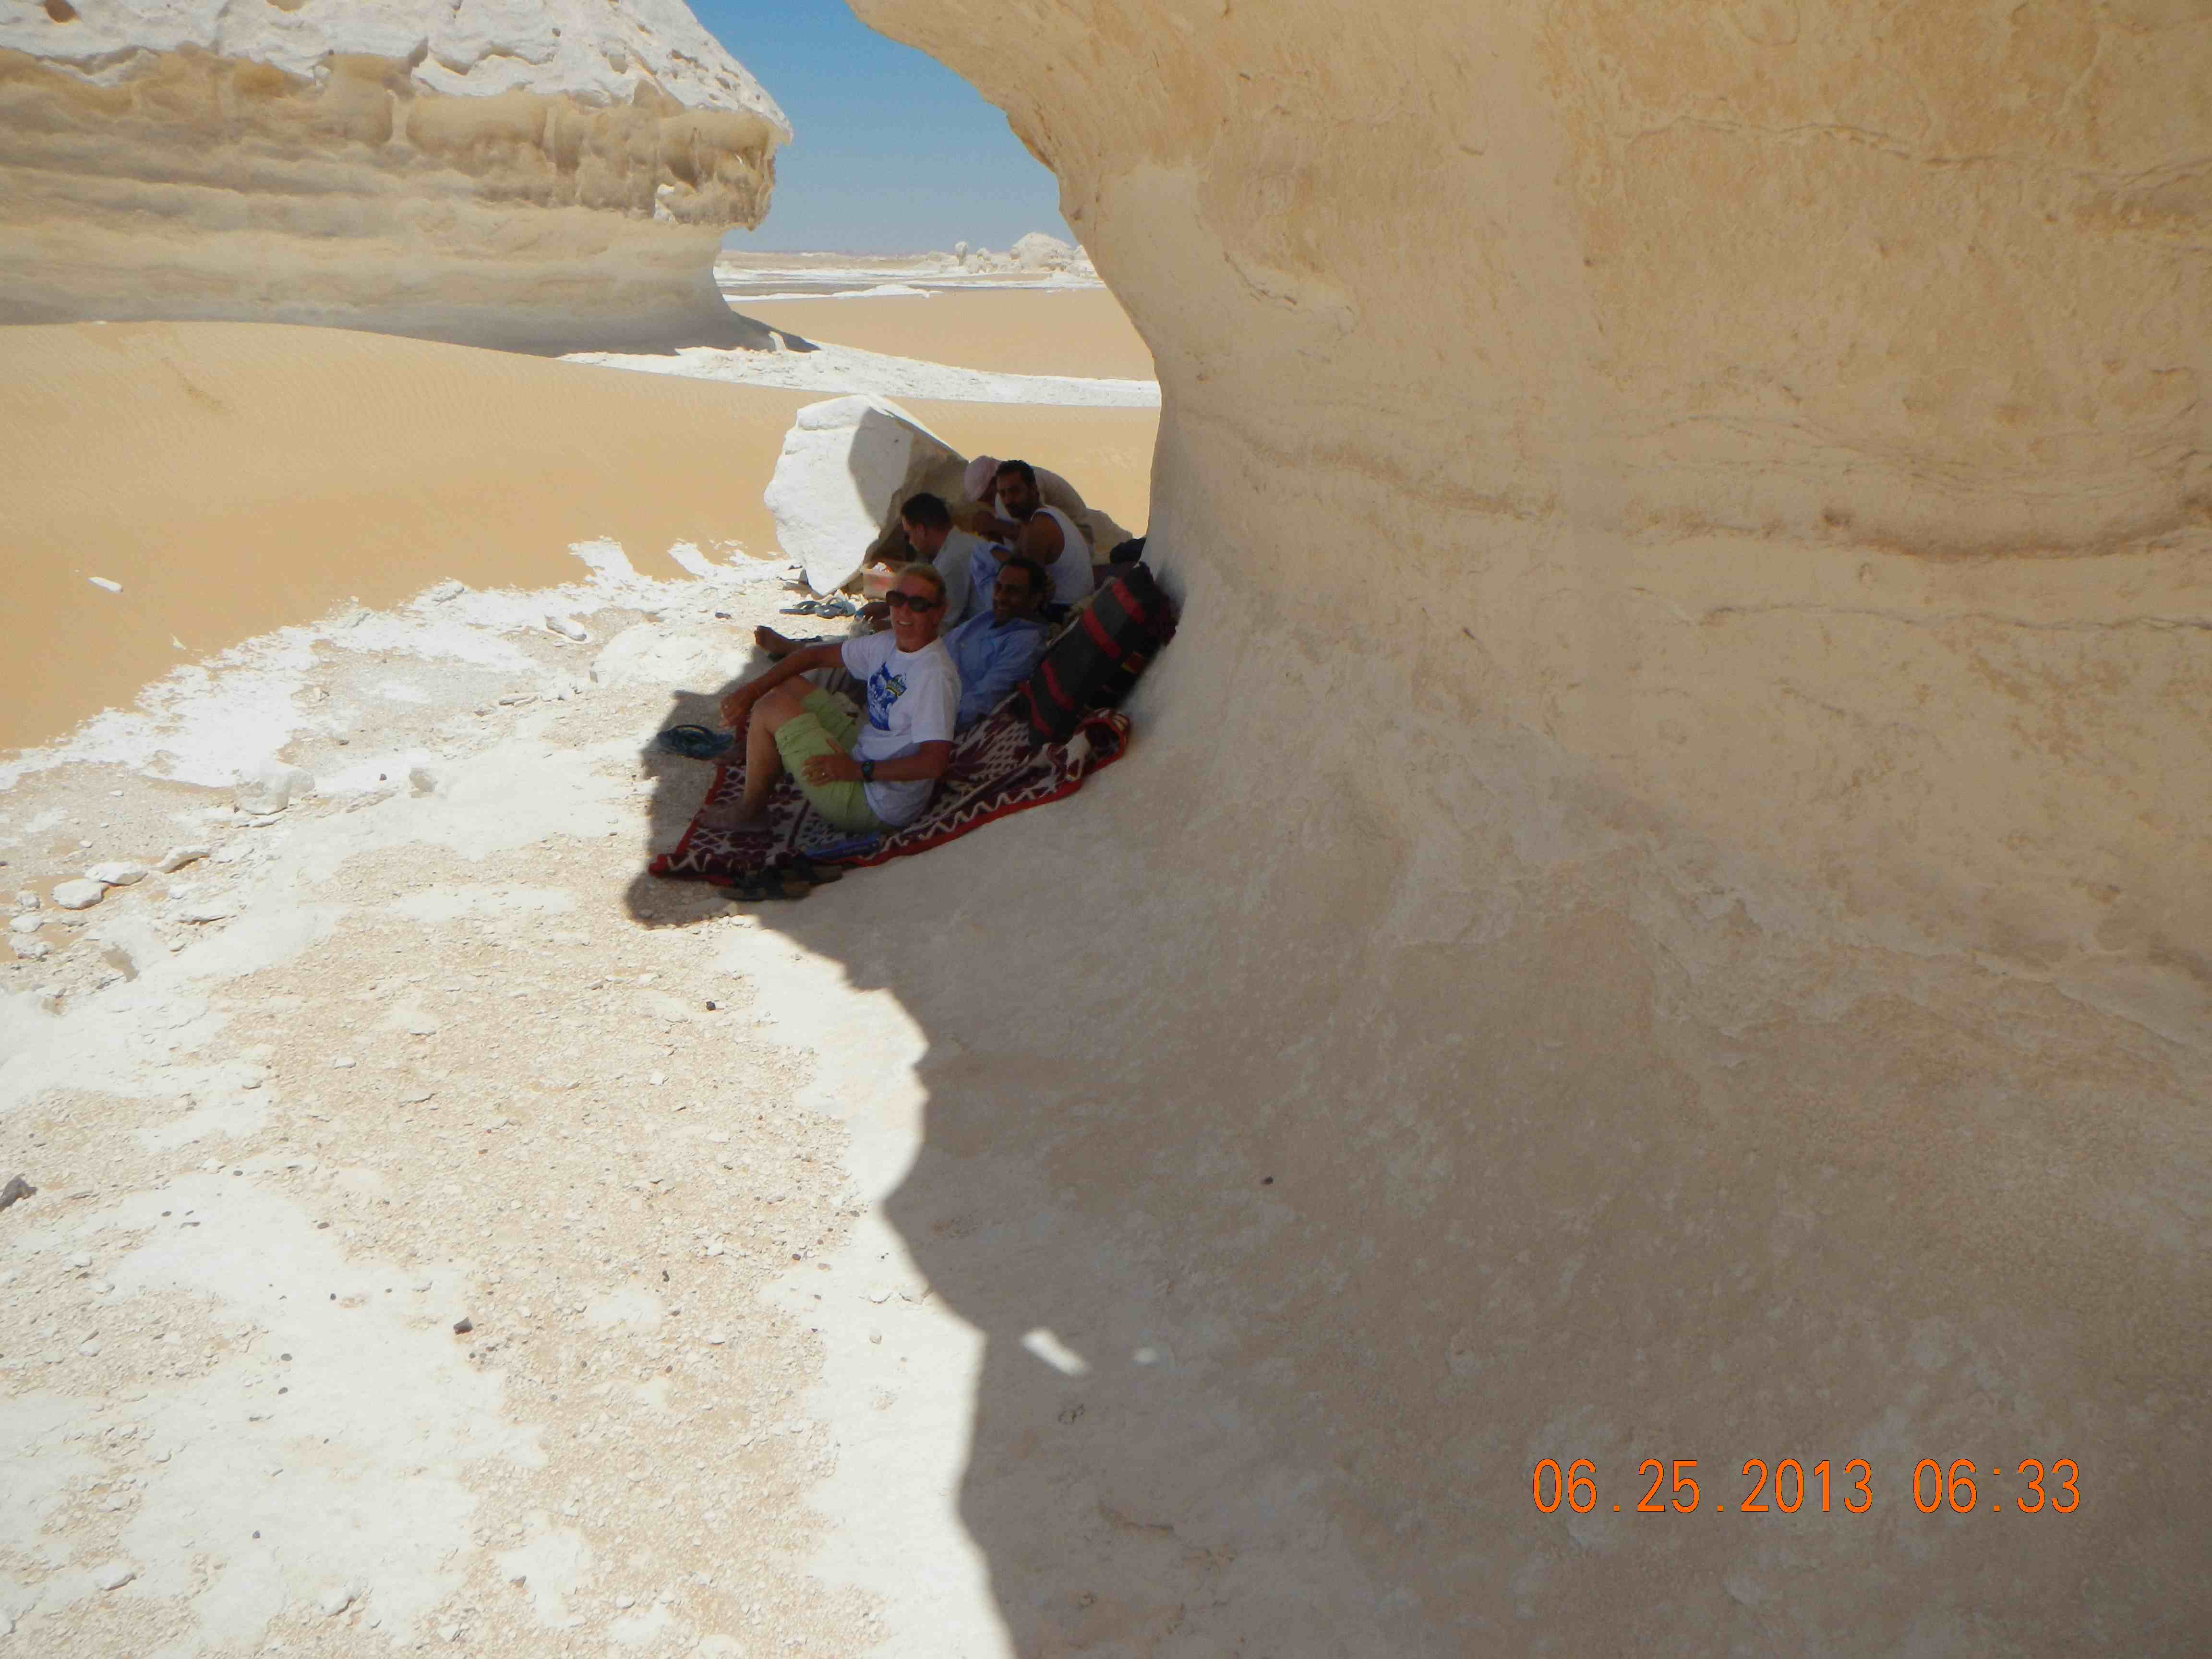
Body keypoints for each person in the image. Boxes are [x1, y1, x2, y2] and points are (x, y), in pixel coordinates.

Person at [710, 563, 959, 832]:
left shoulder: (934, 674)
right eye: (897, 599)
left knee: (771, 708)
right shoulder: (887, 644)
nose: (904, 611)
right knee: (787, 685)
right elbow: (812, 656)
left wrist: (856, 771)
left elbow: (933, 763)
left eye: (919, 604)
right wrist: (751, 691)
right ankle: (765, 755)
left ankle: (751, 812)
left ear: (939, 613)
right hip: (864, 755)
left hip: (879, 803)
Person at [753, 492, 988, 659]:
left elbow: (940, 624)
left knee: (874, 643)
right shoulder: (959, 547)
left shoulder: (954, 560)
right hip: (967, 631)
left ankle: (802, 653)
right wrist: (888, 610)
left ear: (921, 530)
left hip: (972, 642)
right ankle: (806, 650)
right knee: (874, 632)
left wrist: (888, 625)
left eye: (909, 535)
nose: (910, 542)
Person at [967, 458, 1094, 611]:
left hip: (1061, 609)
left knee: (981, 554)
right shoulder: (1044, 515)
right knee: (985, 553)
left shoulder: (1038, 528)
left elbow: (1026, 600)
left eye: (1015, 491)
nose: (1008, 500)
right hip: (1069, 597)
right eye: (1003, 494)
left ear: (1033, 488)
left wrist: (993, 528)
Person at [941, 554, 1051, 730]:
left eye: (1013, 591)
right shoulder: (986, 619)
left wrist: (926, 721)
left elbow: (979, 705)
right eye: (998, 588)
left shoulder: (1026, 644)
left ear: (1035, 599)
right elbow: (980, 555)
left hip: (936, 719)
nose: (1001, 597)